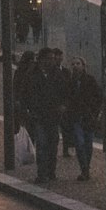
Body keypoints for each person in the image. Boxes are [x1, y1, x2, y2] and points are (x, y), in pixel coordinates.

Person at [29, 47, 68, 184]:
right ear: (42, 59)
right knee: (41, 144)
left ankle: (51, 172)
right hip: (39, 116)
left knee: (53, 145)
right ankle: (42, 174)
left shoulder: (57, 74)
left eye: (53, 58)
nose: (53, 60)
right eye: (50, 58)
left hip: (53, 116)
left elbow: (64, 91)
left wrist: (63, 105)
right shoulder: (33, 74)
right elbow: (27, 93)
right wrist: (29, 110)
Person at [65, 57, 103, 181]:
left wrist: (94, 112)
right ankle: (84, 169)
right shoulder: (70, 82)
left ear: (83, 66)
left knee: (88, 144)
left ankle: (86, 168)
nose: (75, 66)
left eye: (78, 63)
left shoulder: (90, 80)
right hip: (76, 117)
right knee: (79, 143)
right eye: (73, 64)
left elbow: (99, 97)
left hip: (88, 117)